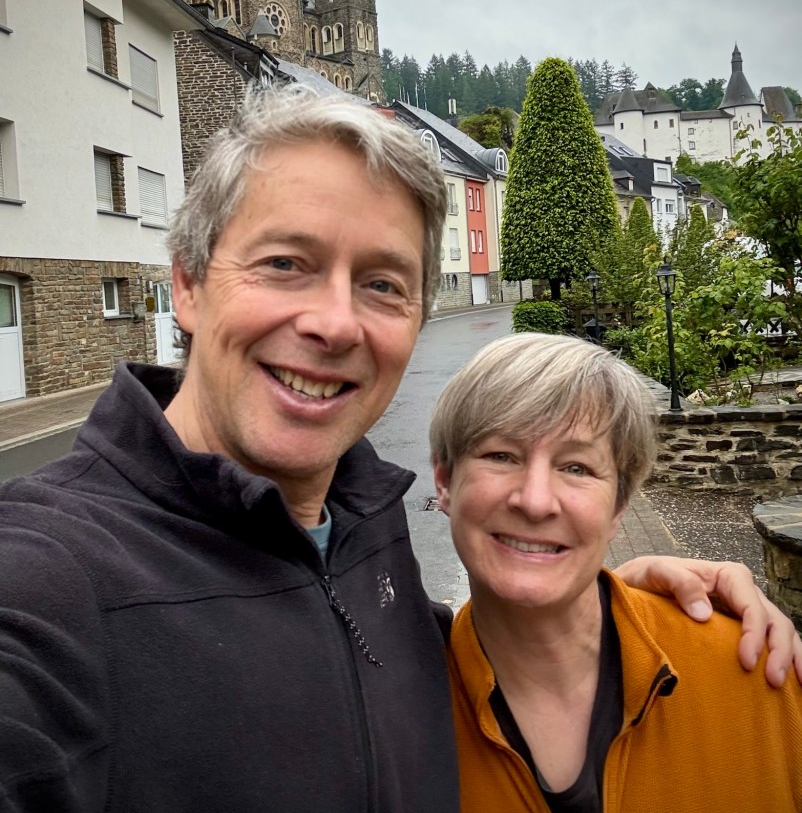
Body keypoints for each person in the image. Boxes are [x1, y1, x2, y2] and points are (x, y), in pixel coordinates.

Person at [0, 86, 797, 812]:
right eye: (285, 264)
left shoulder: (362, 534)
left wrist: (613, 598)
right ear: (187, 284)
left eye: (382, 284)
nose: (335, 324)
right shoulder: (47, 577)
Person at [432, 333, 802, 812]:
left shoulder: (759, 678)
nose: (536, 501)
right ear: (445, 481)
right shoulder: (397, 713)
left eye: (577, 467)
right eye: (501, 456)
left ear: (619, 507)